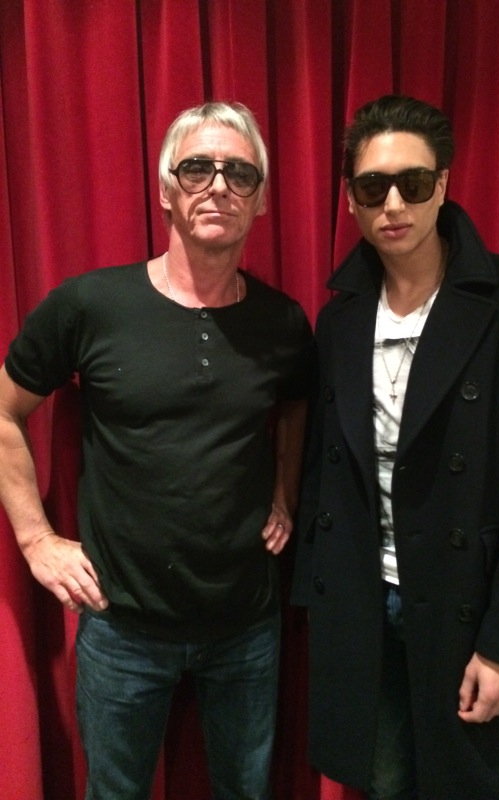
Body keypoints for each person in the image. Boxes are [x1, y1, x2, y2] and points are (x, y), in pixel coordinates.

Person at [0, 101, 313, 800]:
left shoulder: (283, 322)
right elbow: (3, 411)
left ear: (260, 200)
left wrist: (284, 490)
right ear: (166, 189)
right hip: (122, 627)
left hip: (247, 625)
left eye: (239, 173)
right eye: (197, 168)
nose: (218, 186)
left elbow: (296, 402)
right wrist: (35, 540)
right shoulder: (90, 305)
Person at [292, 95, 499, 800]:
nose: (394, 204)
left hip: (467, 608)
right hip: (366, 606)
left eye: (413, 183)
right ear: (351, 200)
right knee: (386, 783)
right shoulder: (340, 321)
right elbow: (328, 470)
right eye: (373, 188)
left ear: (443, 185)